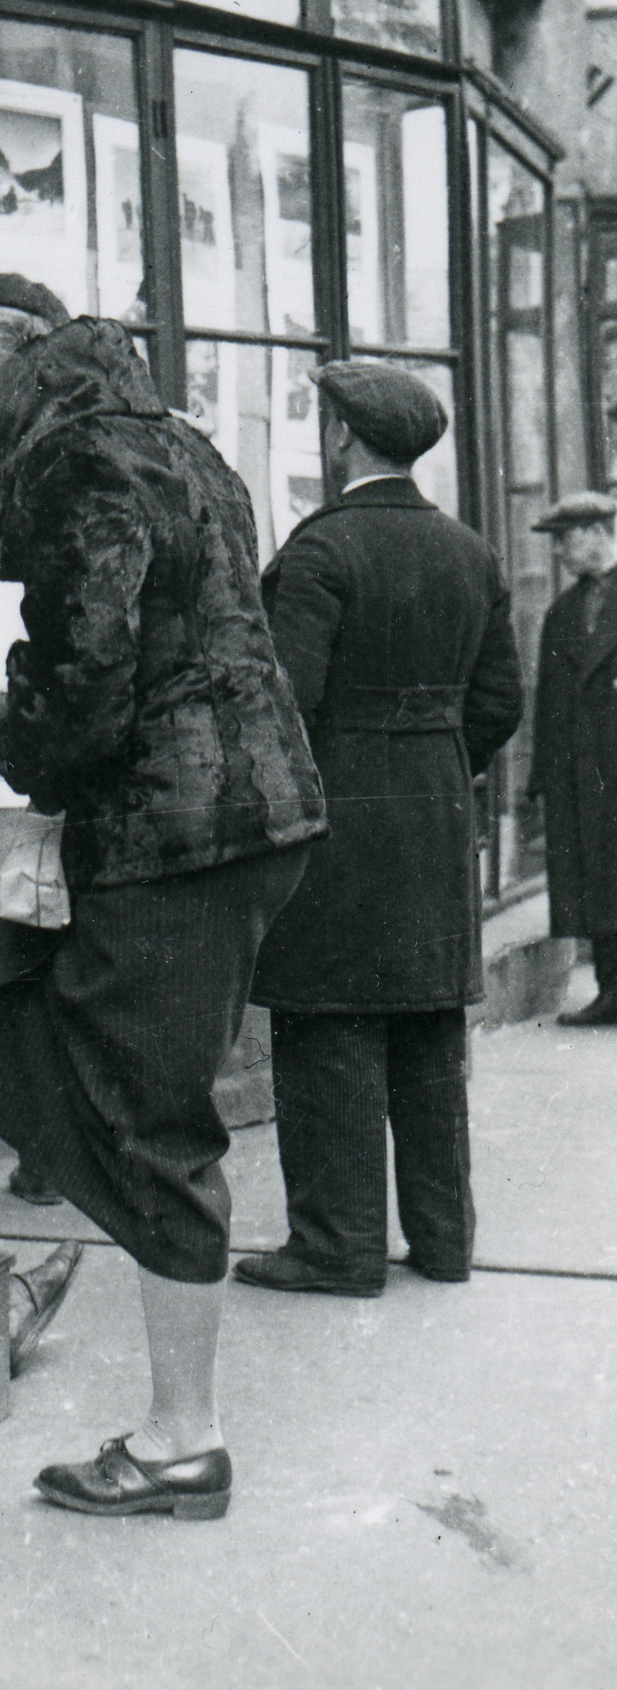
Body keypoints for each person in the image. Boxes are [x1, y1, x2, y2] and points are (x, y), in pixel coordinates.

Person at [0, 268, 326, 1520]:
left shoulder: (67, 460)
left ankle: (180, 1442)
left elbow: (86, 672)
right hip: (232, 815)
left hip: (178, 832)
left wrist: (17, 738)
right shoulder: (176, 443)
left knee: (151, 1121)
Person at [237, 361, 523, 1299]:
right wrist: (431, 766)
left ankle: (338, 1245)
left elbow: (285, 702)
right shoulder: (473, 552)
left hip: (340, 813)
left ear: (341, 437)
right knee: (429, 1026)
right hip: (436, 809)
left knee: (329, 1022)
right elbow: (501, 704)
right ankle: (444, 1240)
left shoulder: (321, 551)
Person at [524, 492, 617, 1026]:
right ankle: (612, 989)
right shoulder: (562, 611)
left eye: (566, 537)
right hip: (584, 768)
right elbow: (549, 701)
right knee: (600, 879)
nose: (558, 550)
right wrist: (541, 775)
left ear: (599, 531)